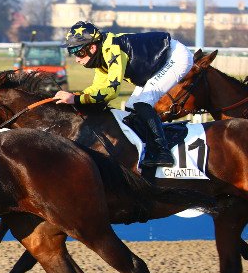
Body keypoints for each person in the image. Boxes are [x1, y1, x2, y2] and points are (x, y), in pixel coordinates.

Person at [53, 21, 194, 167]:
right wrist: (75, 96)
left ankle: (163, 152)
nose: (77, 59)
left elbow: (112, 91)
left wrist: (77, 99)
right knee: (130, 108)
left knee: (142, 103)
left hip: (175, 57)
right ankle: (146, 146)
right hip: (157, 63)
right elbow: (98, 87)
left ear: (92, 47)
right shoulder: (100, 55)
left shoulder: (113, 49)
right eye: (73, 53)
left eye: (79, 52)